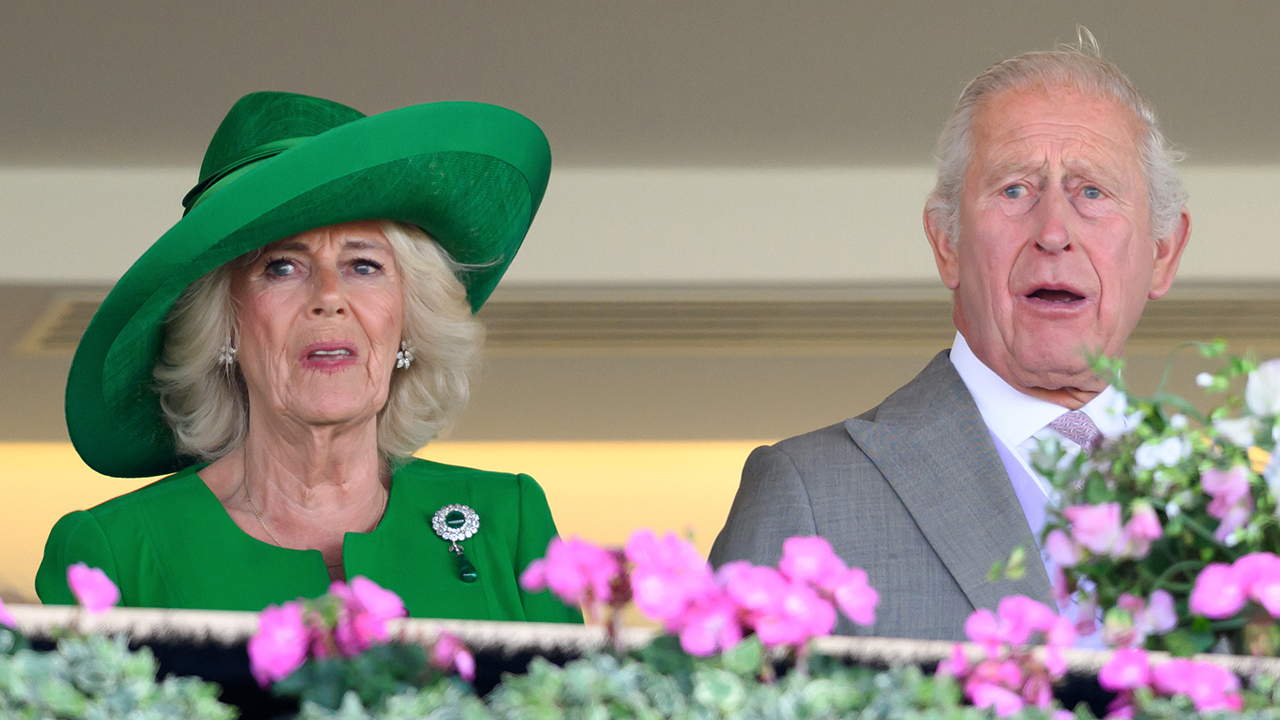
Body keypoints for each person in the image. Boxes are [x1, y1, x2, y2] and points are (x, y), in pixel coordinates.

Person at [36, 91, 580, 624]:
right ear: (224, 322)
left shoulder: (508, 519)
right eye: (282, 267)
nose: (329, 297)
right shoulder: (115, 550)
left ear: (408, 320)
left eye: (364, 265)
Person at [710, 38, 1191, 640]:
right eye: (1014, 189)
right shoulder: (809, 493)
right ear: (947, 243)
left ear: (1163, 253)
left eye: (1092, 191)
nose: (1053, 232)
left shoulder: (1235, 502)